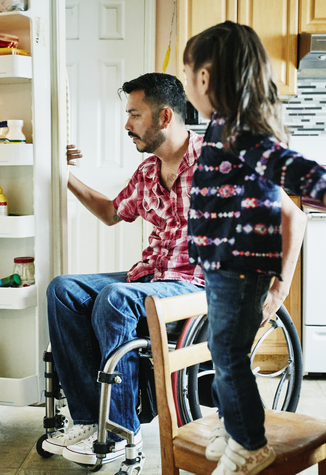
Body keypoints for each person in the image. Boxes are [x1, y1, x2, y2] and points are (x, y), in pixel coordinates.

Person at [182, 22, 326, 475]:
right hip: (221, 263)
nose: (187, 84)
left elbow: (290, 165)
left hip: (239, 263)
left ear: (206, 79)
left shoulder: (240, 131)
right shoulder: (220, 127)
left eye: (188, 74)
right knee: (225, 350)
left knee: (229, 354)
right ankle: (233, 425)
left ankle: (251, 443)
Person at [41, 72, 206, 466]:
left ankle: (119, 428)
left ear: (164, 117)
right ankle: (87, 419)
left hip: (198, 284)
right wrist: (62, 174)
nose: (127, 124)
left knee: (115, 300)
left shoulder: (215, 163)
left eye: (135, 114)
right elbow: (111, 213)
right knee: (62, 289)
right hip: (152, 277)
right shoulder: (148, 172)